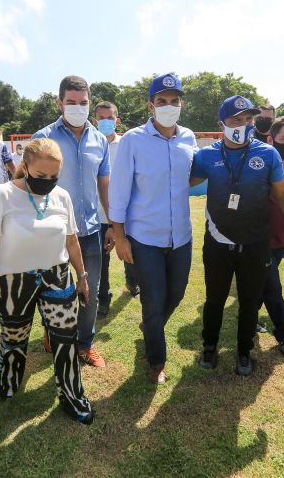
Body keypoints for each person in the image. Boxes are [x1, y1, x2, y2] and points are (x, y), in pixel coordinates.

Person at [0, 138, 94, 424]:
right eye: (40, 176)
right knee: (15, 337)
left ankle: (72, 395)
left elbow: (72, 241)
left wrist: (83, 277)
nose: (48, 181)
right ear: (24, 167)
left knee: (66, 337)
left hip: (57, 276)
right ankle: (8, 382)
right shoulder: (1, 195)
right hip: (12, 281)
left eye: (54, 176)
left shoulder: (61, 196)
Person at [190, 95, 284, 376]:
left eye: (248, 119)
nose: (243, 125)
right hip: (217, 243)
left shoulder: (267, 154)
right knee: (215, 299)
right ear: (222, 124)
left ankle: (243, 351)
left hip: (255, 244)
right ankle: (209, 347)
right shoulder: (206, 155)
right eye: (235, 120)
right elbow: (177, 185)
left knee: (250, 301)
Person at [110, 73, 196, 384]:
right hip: (145, 237)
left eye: (174, 101)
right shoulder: (134, 140)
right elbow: (119, 192)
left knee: (176, 293)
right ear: (151, 105)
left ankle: (151, 328)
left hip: (181, 236)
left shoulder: (189, 137)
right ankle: (156, 361)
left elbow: (190, 176)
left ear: (181, 104)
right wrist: (120, 237)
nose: (169, 106)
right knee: (153, 300)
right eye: (162, 101)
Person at [33, 76, 112, 368]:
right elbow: (31, 185)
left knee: (88, 291)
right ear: (60, 103)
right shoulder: (43, 138)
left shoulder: (99, 140)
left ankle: (85, 345)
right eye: (71, 102)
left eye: (83, 103)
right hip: (52, 231)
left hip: (90, 231)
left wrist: (113, 224)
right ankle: (51, 332)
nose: (78, 108)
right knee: (53, 290)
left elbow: (104, 186)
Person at [257, 116, 284, 359]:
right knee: (272, 288)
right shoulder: (258, 164)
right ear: (270, 138)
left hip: (279, 239)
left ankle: (251, 318)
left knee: (262, 284)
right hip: (258, 240)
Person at [94, 101, 138, 319]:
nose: (105, 122)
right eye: (101, 118)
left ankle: (132, 281)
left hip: (125, 214)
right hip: (98, 215)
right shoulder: (88, 145)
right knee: (101, 260)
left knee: (129, 252)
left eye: (109, 118)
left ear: (117, 120)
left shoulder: (126, 145)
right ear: (94, 121)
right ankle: (103, 299)